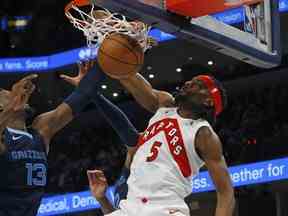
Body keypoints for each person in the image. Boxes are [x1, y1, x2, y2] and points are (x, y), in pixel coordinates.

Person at [99, 72, 235, 216]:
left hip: (164, 208)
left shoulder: (203, 134)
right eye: (190, 80)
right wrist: (114, 62)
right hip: (130, 206)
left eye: (198, 85)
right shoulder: (164, 104)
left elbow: (226, 192)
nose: (188, 83)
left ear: (208, 101)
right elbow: (128, 76)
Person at [0, 61, 104, 216]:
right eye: (8, 94)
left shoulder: (41, 130)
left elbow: (83, 95)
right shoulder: (4, 138)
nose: (16, 95)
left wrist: (90, 78)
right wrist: (10, 109)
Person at [61, 64, 140, 215]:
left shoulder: (143, 161)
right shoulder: (131, 168)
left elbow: (125, 129)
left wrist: (92, 93)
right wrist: (102, 198)